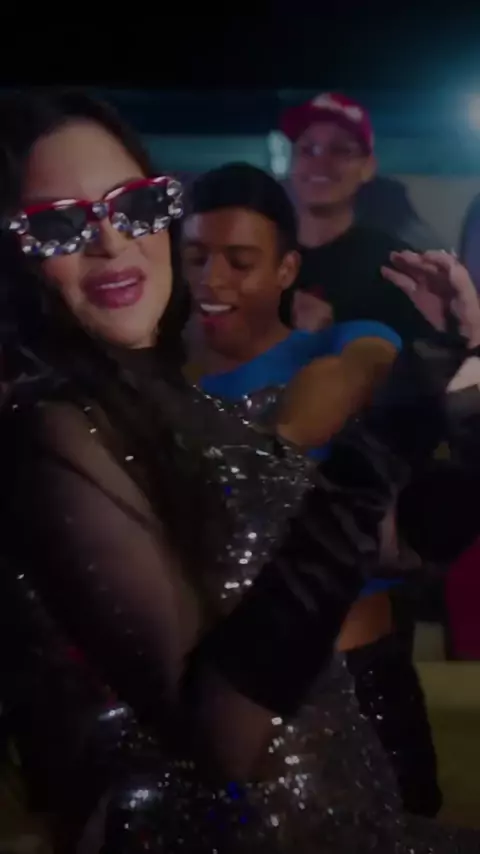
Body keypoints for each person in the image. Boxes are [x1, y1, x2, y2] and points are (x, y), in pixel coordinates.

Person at [0, 89, 479, 854]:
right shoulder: (50, 427)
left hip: (344, 813)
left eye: (135, 206)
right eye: (59, 223)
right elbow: (221, 737)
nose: (112, 244)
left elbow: (382, 541)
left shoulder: (166, 403)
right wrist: (379, 444)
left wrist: (460, 382)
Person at [182, 162, 441, 817]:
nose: (212, 279)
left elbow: (364, 369)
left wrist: (277, 446)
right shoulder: (157, 388)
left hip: (361, 675)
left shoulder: (339, 345)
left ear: (287, 270)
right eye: (196, 257)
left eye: (240, 261)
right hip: (229, 697)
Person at [279, 92, 442, 341]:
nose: (320, 162)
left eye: (340, 150)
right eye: (307, 149)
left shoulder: (396, 267)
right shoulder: (262, 259)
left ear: (368, 167)